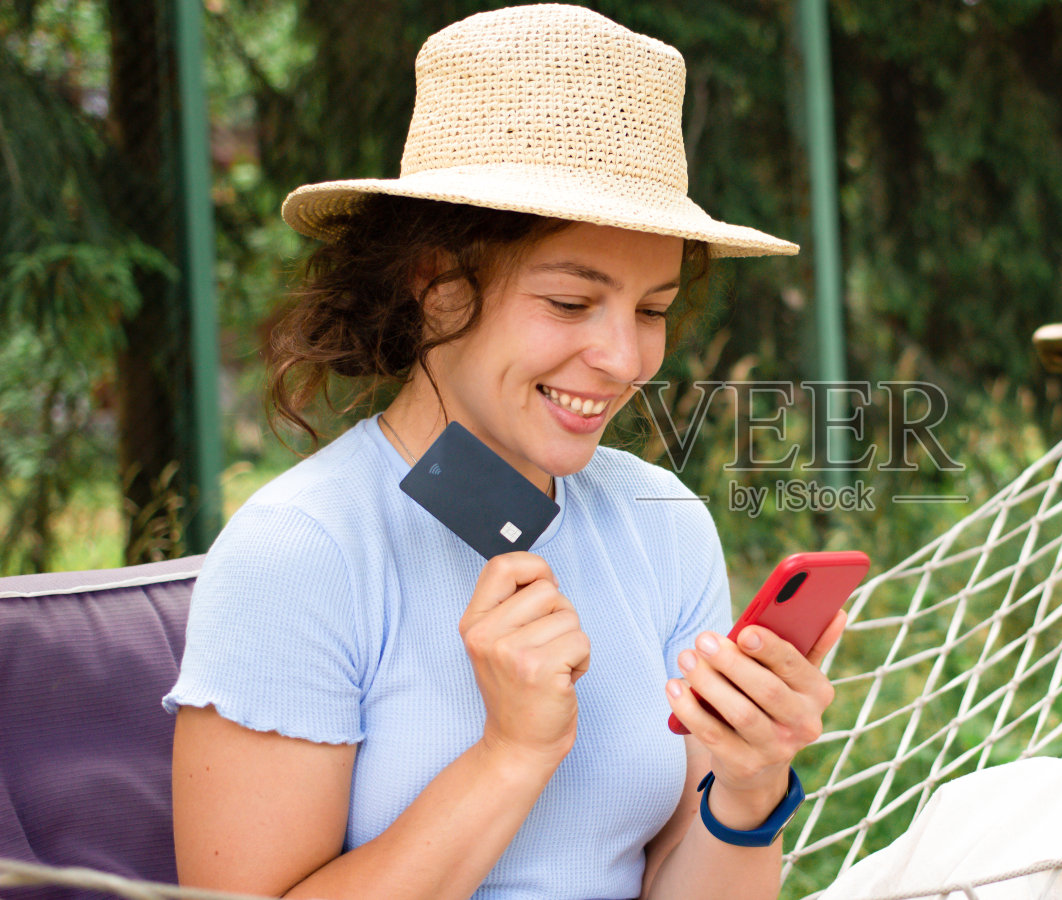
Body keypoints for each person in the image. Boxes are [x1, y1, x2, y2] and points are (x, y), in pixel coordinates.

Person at [163, 6, 842, 900]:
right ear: (435, 286)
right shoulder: (303, 550)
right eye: (570, 303)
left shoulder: (660, 521)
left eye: (650, 310)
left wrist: (749, 787)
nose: (626, 358)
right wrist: (510, 755)